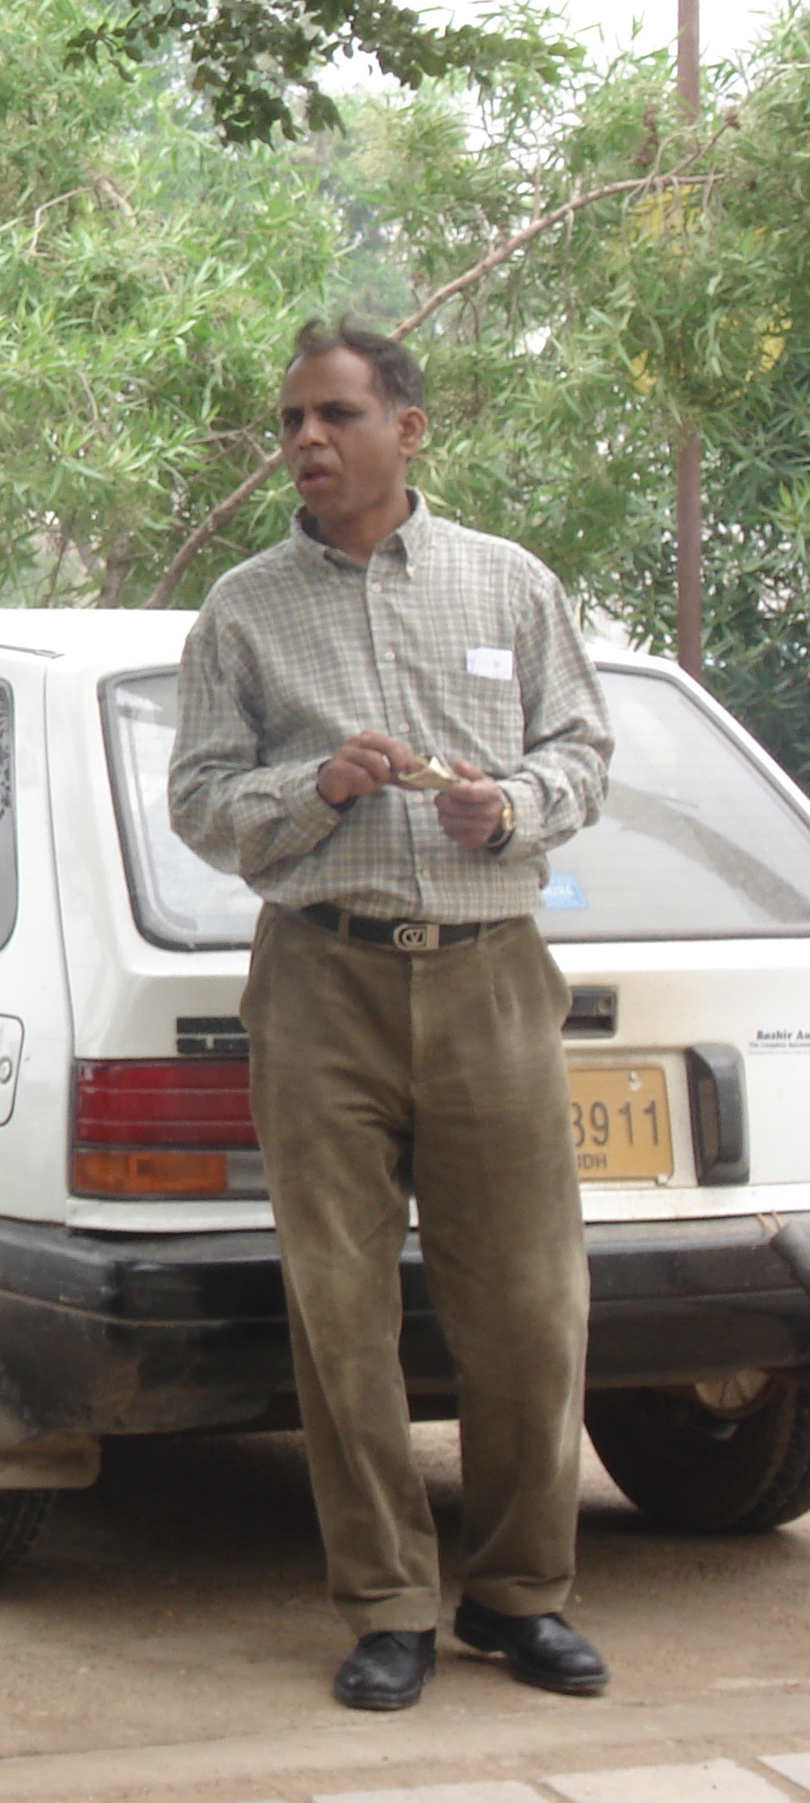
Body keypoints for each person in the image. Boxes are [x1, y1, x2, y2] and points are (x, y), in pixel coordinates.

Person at [168, 322, 614, 1714]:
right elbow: (198, 801)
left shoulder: (510, 583)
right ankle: (388, 1607)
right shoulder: (243, 610)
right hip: (322, 977)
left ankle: (519, 1597)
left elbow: (585, 750)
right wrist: (324, 791)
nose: (304, 442)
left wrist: (516, 805)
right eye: (290, 420)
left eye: (334, 416)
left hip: (490, 972)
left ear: (407, 429)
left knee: (531, 1310)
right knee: (342, 1314)